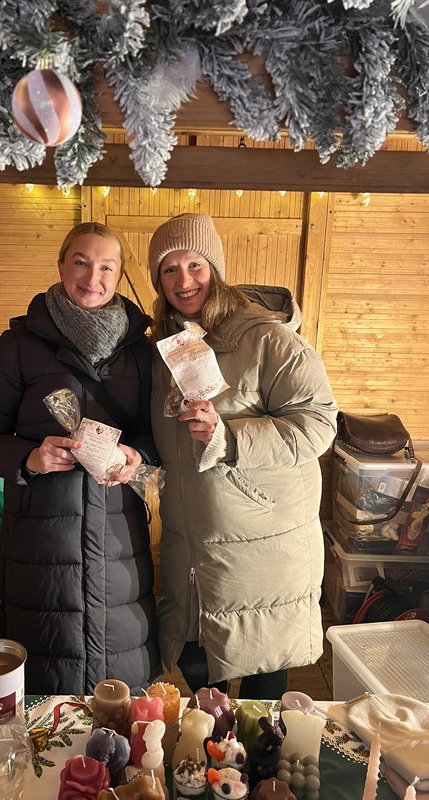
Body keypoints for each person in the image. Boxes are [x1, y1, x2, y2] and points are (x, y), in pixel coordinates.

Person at [0, 221, 161, 695]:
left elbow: (157, 435)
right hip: (40, 541)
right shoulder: (18, 345)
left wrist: (137, 455)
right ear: (61, 266)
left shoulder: (140, 351)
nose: (93, 277)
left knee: (121, 687)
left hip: (119, 535)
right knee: (45, 682)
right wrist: (30, 458)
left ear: (119, 276)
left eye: (106, 267)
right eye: (81, 262)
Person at [148, 213, 338, 699]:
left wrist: (229, 436)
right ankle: (213, 744)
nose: (184, 281)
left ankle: (253, 748)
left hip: (264, 541)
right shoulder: (165, 348)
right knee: (195, 656)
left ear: (216, 268)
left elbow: (318, 425)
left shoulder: (271, 341)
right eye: (169, 269)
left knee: (262, 671)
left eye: (195, 265)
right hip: (191, 540)